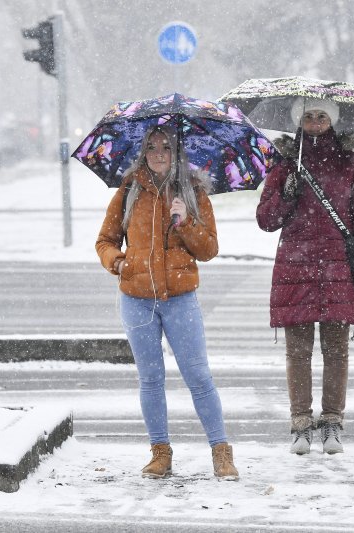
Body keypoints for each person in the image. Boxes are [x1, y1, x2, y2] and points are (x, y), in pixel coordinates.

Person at [95, 124, 239, 481]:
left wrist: (186, 221)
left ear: (177, 153)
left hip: (180, 299)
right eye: (152, 147)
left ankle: (221, 452)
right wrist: (118, 262)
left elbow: (209, 249)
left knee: (198, 376)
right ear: (142, 152)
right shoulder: (129, 190)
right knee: (151, 379)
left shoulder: (193, 192)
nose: (158, 153)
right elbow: (105, 240)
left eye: (166, 147)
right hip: (137, 300)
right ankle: (160, 453)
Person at [256, 97, 354, 455]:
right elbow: (266, 220)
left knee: (337, 353)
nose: (315, 122)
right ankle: (300, 423)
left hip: (338, 267)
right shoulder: (285, 165)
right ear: (298, 120)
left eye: (322, 117)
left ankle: (332, 422)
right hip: (294, 268)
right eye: (309, 116)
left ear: (333, 121)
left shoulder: (350, 164)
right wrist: (285, 196)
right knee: (297, 354)